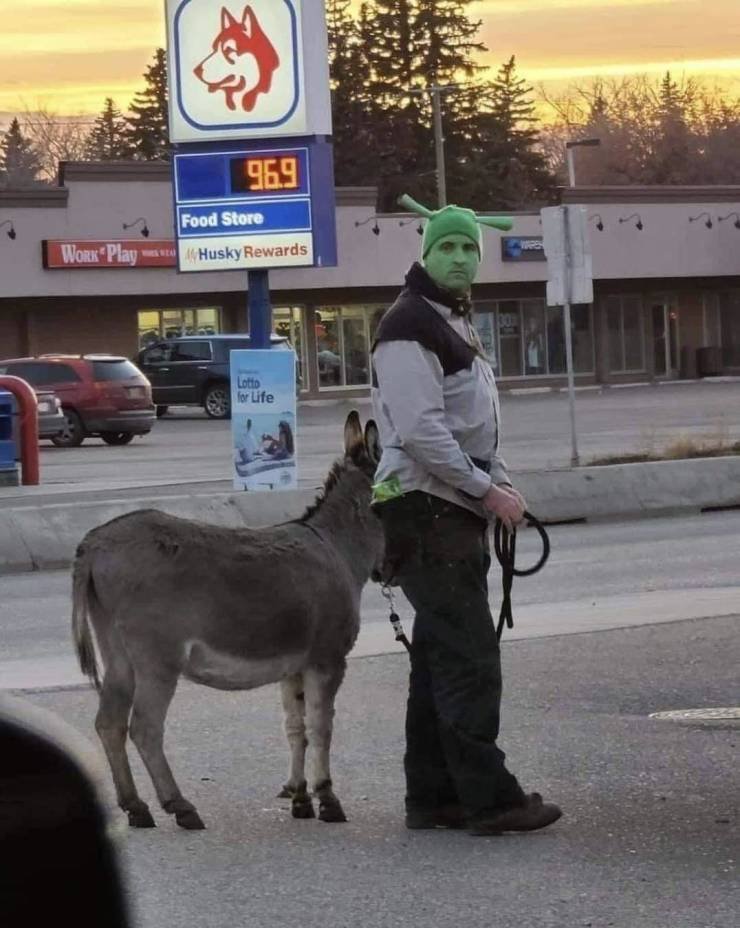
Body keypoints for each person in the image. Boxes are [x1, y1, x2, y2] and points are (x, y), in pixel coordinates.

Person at [371, 194, 562, 836]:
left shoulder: (450, 322)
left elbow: (470, 426)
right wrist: (486, 490)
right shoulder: (408, 326)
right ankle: (490, 799)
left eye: (467, 248)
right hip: (427, 511)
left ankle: (435, 797)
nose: (458, 258)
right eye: (446, 247)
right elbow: (422, 431)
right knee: (470, 660)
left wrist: (498, 480)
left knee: (438, 660)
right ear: (425, 254)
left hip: (446, 509)